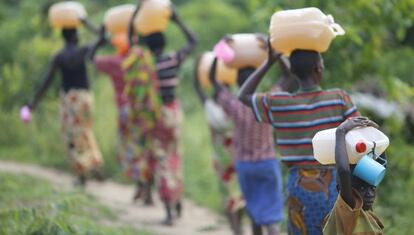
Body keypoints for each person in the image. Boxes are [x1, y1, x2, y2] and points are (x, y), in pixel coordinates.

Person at [239, 47, 360, 235]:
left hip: (299, 187)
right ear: (319, 68)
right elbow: (360, 139)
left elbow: (244, 96)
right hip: (336, 185)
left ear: (293, 72)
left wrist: (269, 61)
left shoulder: (279, 103)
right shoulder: (338, 98)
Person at [129, 3, 197, 225]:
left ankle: (169, 212)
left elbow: (130, 44)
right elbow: (193, 41)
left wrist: (135, 18)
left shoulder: (144, 66)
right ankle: (177, 202)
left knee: (162, 162)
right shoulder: (172, 59)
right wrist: (176, 19)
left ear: (147, 45)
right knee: (175, 157)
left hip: (155, 117)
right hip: (174, 113)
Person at [210, 56, 288, 235]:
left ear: (237, 81)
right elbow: (288, 76)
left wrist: (217, 56)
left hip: (245, 165)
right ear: (257, 78)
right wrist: (275, 56)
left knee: (254, 212)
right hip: (267, 162)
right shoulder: (266, 101)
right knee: (271, 216)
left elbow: (214, 81)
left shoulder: (233, 104)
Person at [27, 21, 103, 186]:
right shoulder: (84, 51)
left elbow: (46, 82)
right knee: (86, 131)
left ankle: (82, 173)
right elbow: (104, 38)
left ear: (63, 37)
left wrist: (33, 102)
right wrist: (87, 23)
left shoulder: (59, 57)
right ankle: (94, 164)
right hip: (85, 99)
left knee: (71, 136)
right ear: (76, 36)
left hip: (69, 101)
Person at [89, 26, 160, 204]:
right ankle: (147, 189)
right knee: (146, 148)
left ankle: (140, 184)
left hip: (126, 112)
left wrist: (99, 40)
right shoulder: (143, 59)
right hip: (145, 111)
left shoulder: (114, 62)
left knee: (131, 150)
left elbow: (90, 59)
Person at [194, 55, 245, 235]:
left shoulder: (210, 109)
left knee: (228, 195)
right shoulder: (234, 106)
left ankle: (235, 229)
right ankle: (238, 227)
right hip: (238, 155)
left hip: (221, 159)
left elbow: (197, 87)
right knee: (240, 194)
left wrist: (198, 65)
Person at [322, 116, 385, 234]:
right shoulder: (349, 210)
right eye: (361, 188)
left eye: (372, 188)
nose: (370, 194)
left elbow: (382, 165)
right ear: (340, 189)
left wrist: (375, 134)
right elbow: (343, 171)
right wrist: (340, 132)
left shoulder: (366, 211)